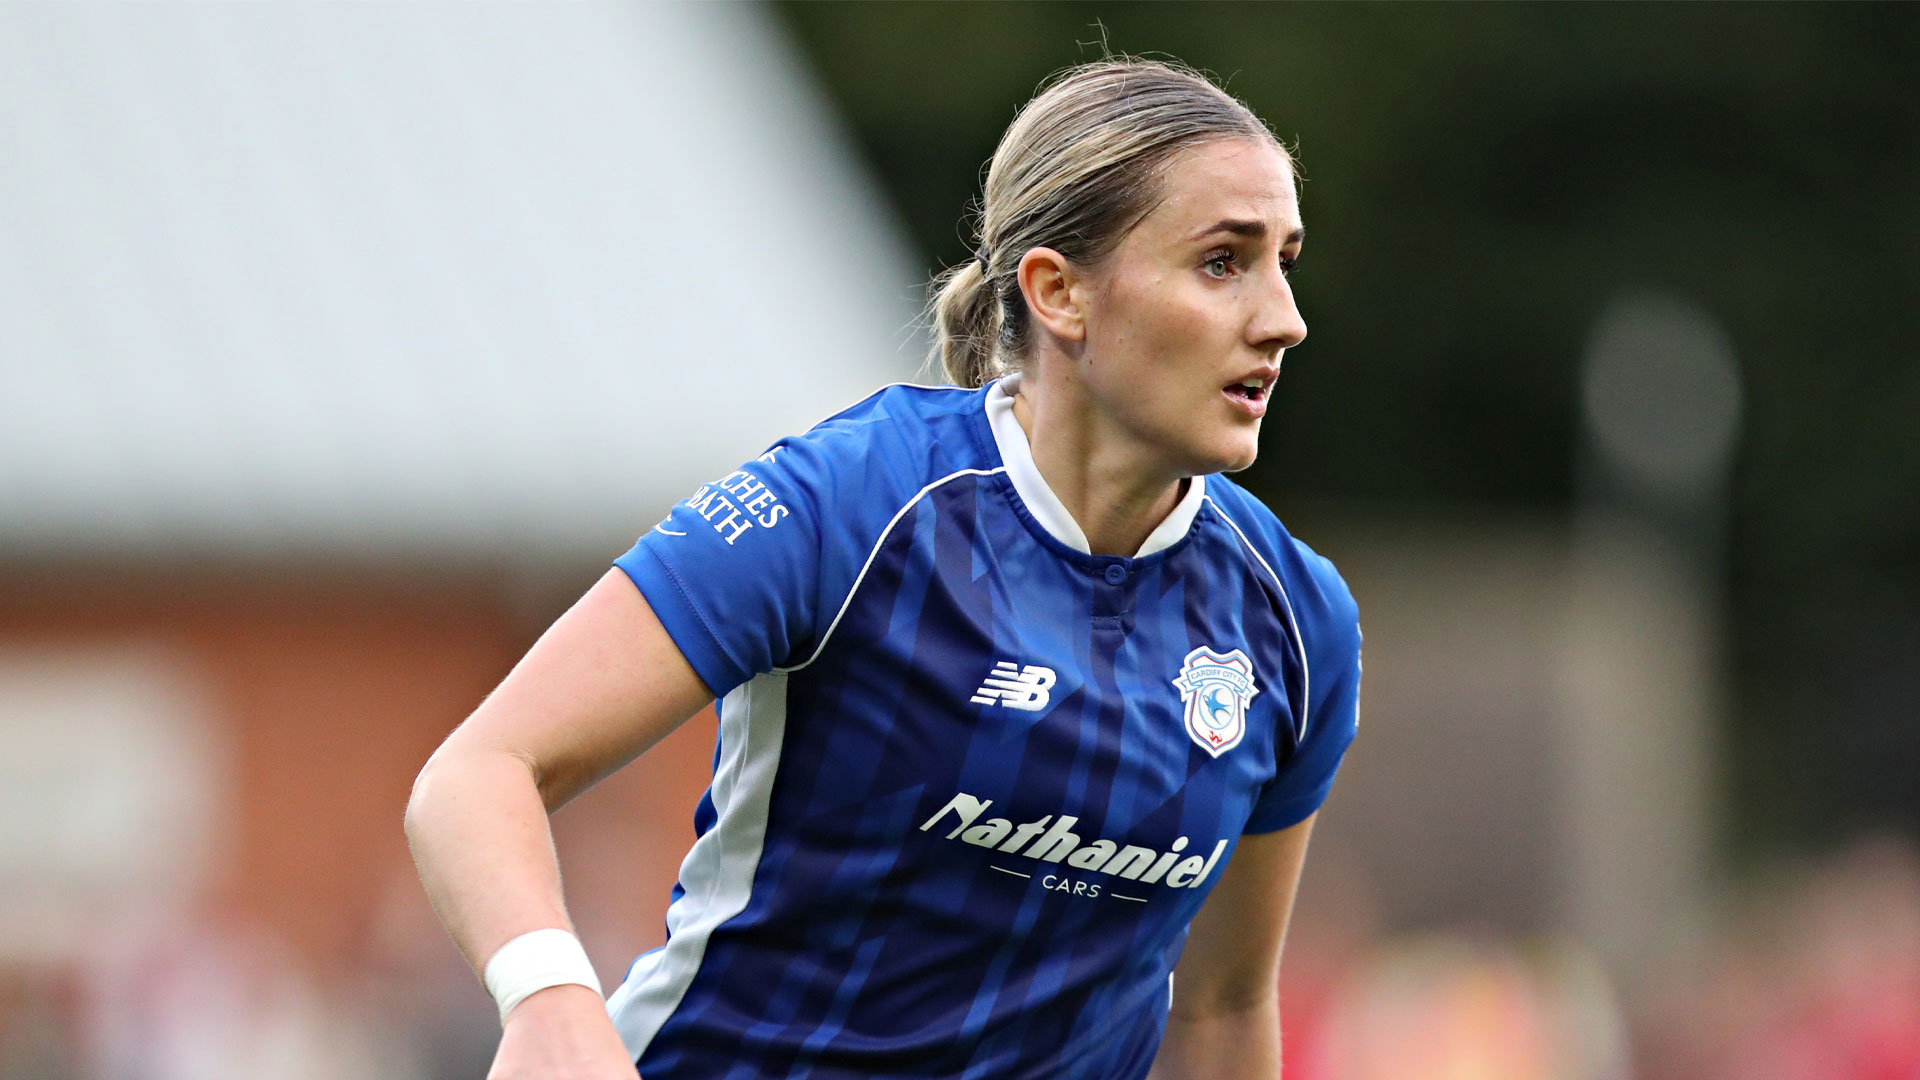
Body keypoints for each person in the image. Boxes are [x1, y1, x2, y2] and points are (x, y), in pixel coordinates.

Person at [406, 56, 1362, 1080]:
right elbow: (475, 776)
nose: (1282, 318)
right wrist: (549, 1001)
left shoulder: (1294, 622)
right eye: (1224, 262)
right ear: (1059, 293)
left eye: (1284, 263)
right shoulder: (854, 505)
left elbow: (1221, 1008)